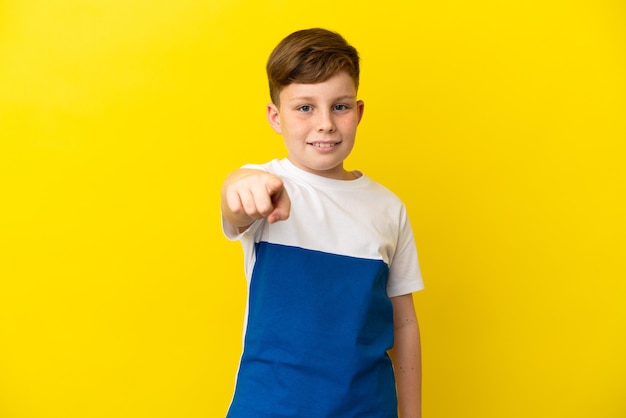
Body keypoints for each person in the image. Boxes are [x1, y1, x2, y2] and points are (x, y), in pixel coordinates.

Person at [221, 28, 424, 418]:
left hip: (368, 407)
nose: (325, 123)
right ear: (275, 117)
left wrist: (412, 414)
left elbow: (404, 325)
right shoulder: (265, 184)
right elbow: (235, 201)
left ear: (359, 112)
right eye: (305, 108)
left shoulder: (389, 209)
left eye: (340, 106)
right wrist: (246, 188)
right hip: (268, 406)